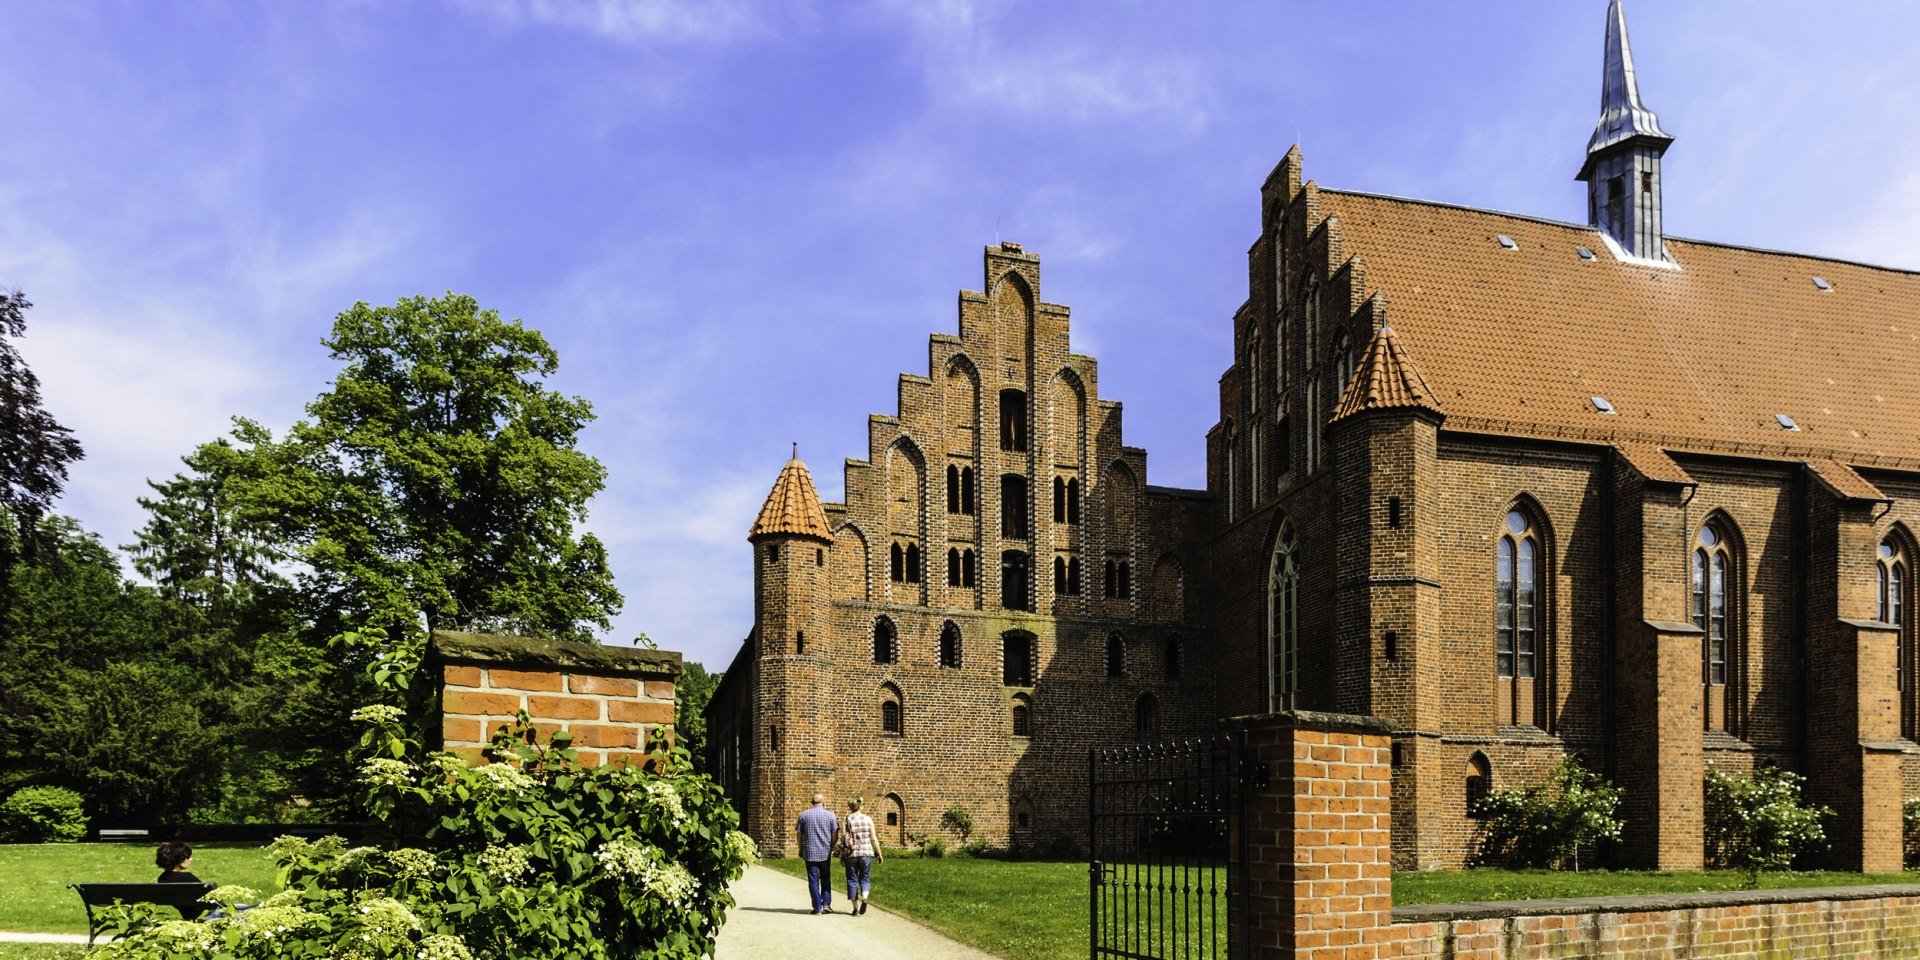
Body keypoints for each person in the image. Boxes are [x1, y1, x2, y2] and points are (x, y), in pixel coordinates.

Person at [795, 793, 839, 914]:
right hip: (825, 851)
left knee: (813, 880)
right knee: (825, 877)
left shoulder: (803, 815)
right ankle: (826, 904)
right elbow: (835, 833)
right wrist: (831, 845)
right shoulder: (830, 816)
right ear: (823, 802)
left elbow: (799, 834)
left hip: (809, 851)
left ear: (811, 802)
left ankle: (817, 907)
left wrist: (800, 848)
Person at [839, 797, 882, 916]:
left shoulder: (847, 819)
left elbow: (844, 839)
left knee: (852, 880)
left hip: (851, 854)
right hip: (866, 852)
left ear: (850, 807)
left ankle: (855, 909)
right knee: (865, 878)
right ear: (860, 806)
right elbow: (873, 838)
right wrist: (878, 853)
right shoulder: (868, 819)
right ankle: (865, 898)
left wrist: (842, 855)